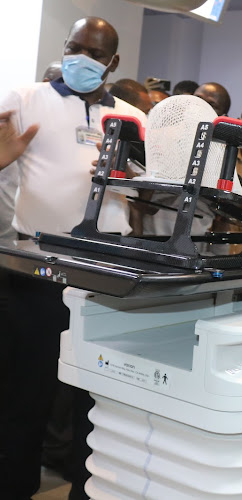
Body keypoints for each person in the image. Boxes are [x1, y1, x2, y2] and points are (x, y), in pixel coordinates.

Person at [0, 16, 147, 499]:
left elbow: (148, 195)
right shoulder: (24, 99)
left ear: (113, 63)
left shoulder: (131, 117)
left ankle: (89, 490)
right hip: (36, 271)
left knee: (96, 401)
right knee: (25, 397)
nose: (81, 59)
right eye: (74, 46)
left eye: (95, 53)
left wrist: (136, 179)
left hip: (104, 273)